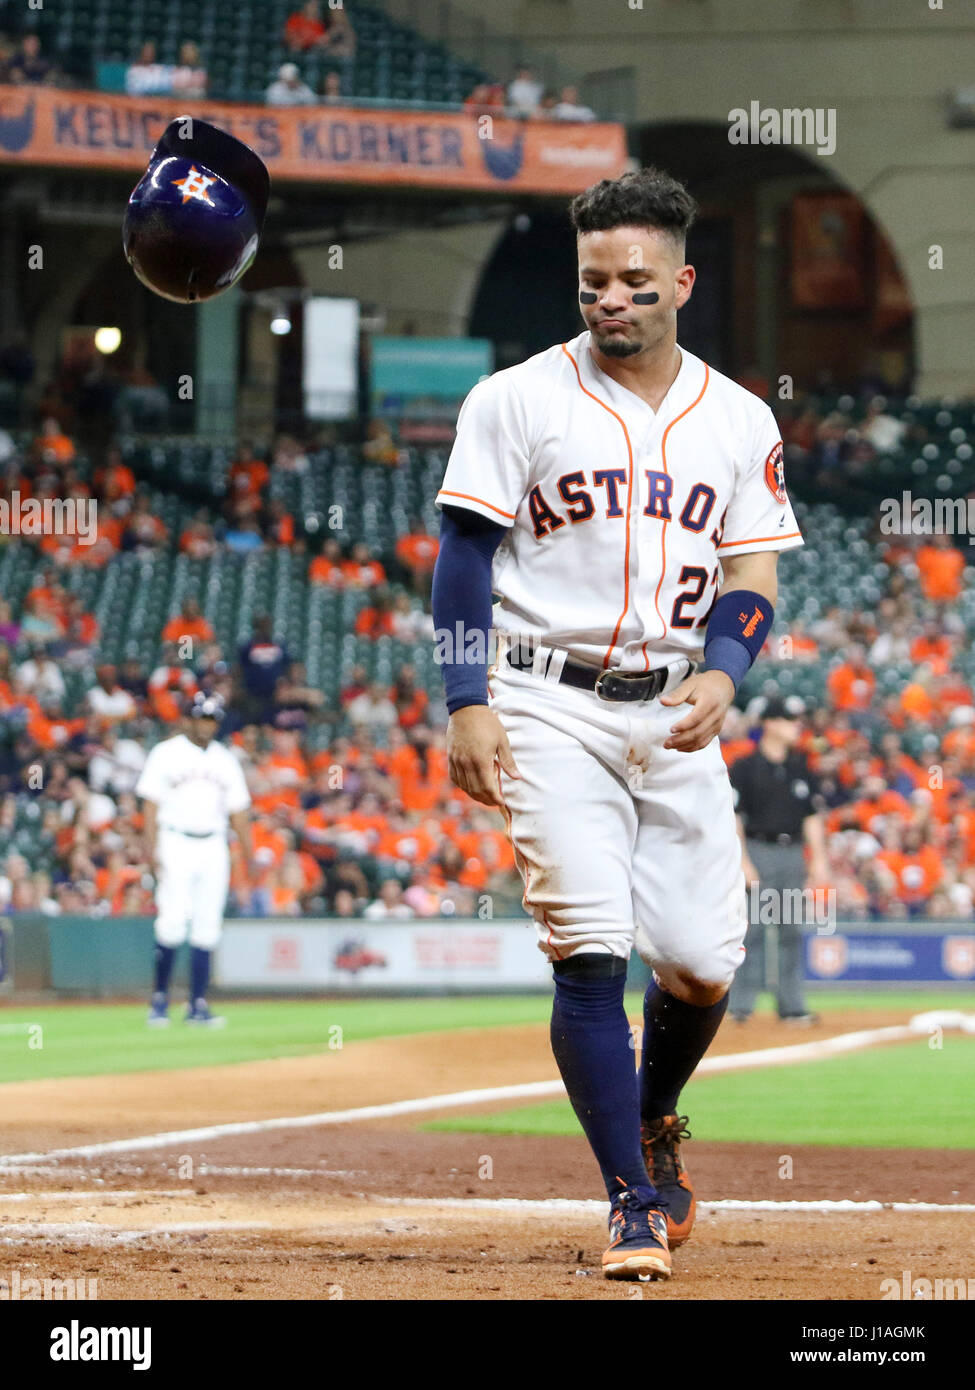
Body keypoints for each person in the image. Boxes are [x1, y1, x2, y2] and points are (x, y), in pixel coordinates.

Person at [431, 167, 803, 1281]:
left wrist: (727, 672)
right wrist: (467, 699)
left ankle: (655, 1114)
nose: (612, 299)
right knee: (588, 954)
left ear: (681, 281)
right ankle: (632, 1201)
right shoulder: (515, 398)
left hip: (675, 711)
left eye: (636, 281)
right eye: (596, 280)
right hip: (544, 698)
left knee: (698, 964)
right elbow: (462, 556)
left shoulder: (737, 417)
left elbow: (753, 572)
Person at [136, 693, 253, 1026]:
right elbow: (150, 805)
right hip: (174, 839)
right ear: (187, 719)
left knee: (207, 924)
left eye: (211, 719)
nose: (206, 725)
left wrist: (249, 854)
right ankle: (159, 1001)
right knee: (172, 919)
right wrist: (150, 849)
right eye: (201, 718)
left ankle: (197, 1005)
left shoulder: (225, 759)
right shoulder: (166, 753)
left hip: (214, 844)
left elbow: (239, 812)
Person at [726, 696, 828, 1024]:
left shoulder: (801, 767)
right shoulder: (744, 767)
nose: (796, 725)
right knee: (751, 931)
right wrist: (742, 860)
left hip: (791, 853)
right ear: (768, 723)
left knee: (789, 931)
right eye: (787, 719)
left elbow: (811, 817)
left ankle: (791, 1005)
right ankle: (740, 1004)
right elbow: (734, 817)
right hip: (758, 849)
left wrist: (819, 861)